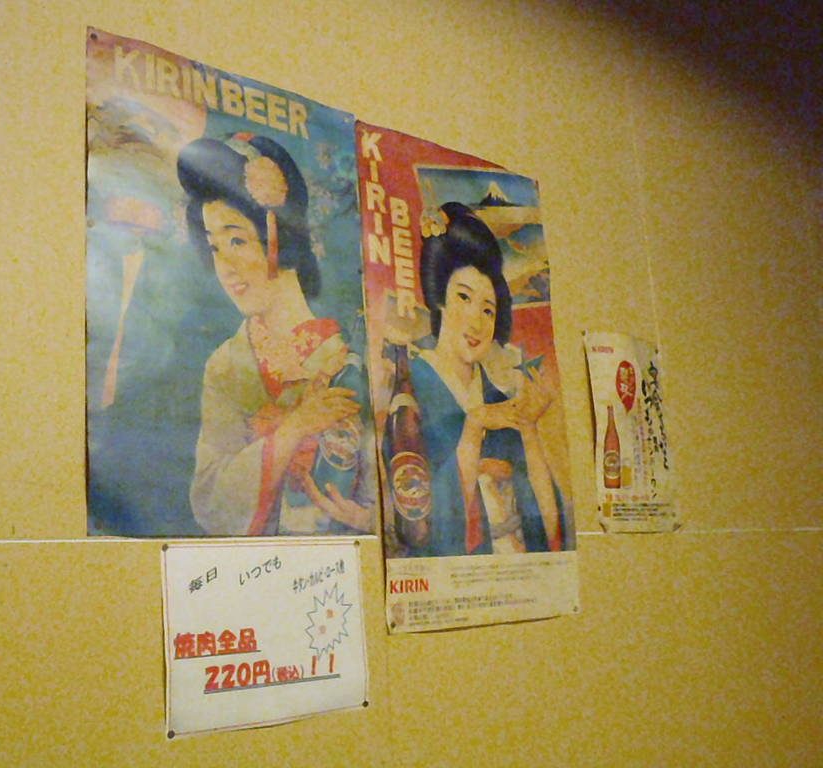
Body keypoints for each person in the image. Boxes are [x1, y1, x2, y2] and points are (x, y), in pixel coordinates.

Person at [177, 134, 374, 536]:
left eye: (237, 240)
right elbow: (211, 498)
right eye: (215, 247)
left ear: (278, 235)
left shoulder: (351, 353)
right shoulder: (226, 365)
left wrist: (368, 519)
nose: (225, 267)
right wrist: (294, 428)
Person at [395, 201, 565, 556]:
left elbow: (548, 529)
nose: (477, 322)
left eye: (488, 309)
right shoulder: (412, 388)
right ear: (440, 298)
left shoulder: (498, 402)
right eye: (463, 297)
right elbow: (419, 525)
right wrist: (473, 428)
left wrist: (529, 430)